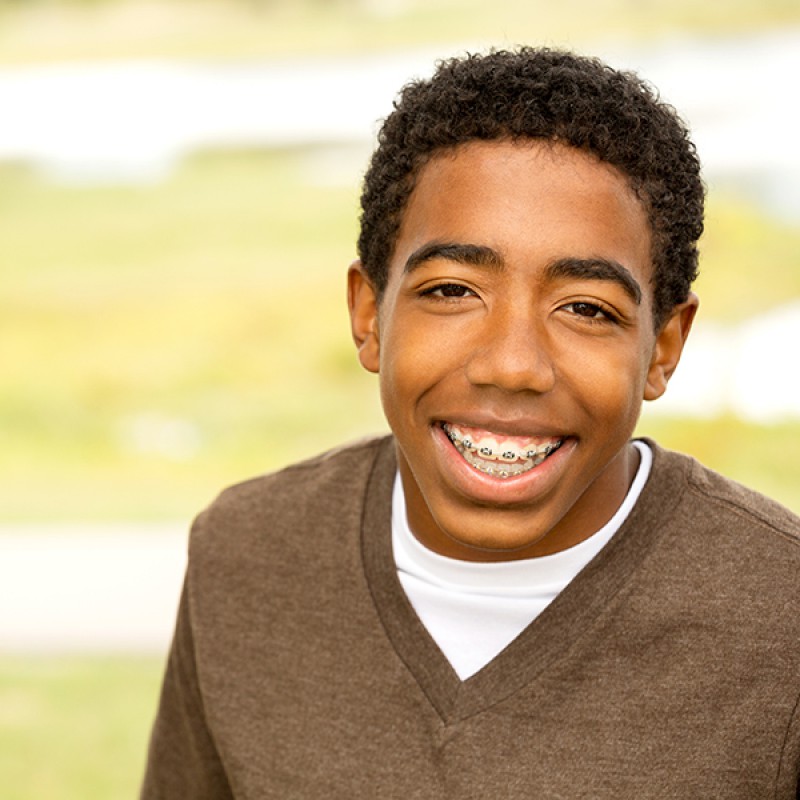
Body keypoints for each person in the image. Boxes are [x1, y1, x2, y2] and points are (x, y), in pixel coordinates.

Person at [140, 48, 800, 799]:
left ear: (663, 349)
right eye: (452, 290)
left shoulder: (782, 619)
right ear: (369, 315)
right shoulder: (245, 555)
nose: (512, 366)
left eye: (586, 308)